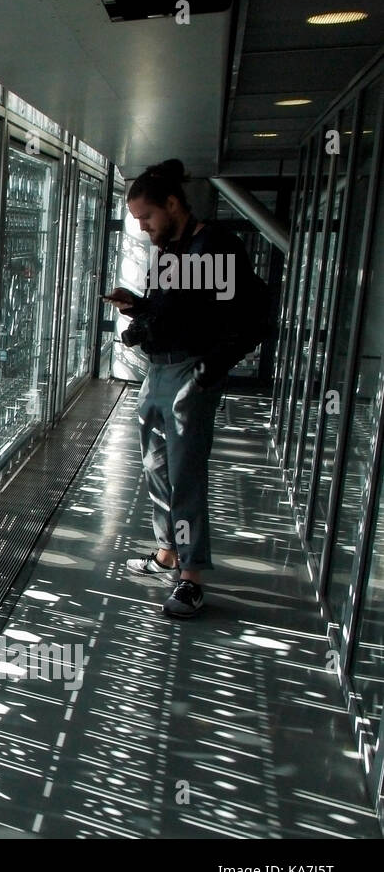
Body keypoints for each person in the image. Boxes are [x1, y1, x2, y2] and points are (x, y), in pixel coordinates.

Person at [105, 159, 269, 619]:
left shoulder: (215, 248)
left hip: (186, 376)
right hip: (157, 373)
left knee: (185, 475)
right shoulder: (171, 251)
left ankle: (191, 576)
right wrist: (137, 309)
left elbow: (255, 316)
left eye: (147, 217)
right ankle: (168, 554)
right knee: (157, 469)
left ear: (173, 204)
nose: (142, 228)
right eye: (137, 220)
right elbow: (169, 313)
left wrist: (209, 370)